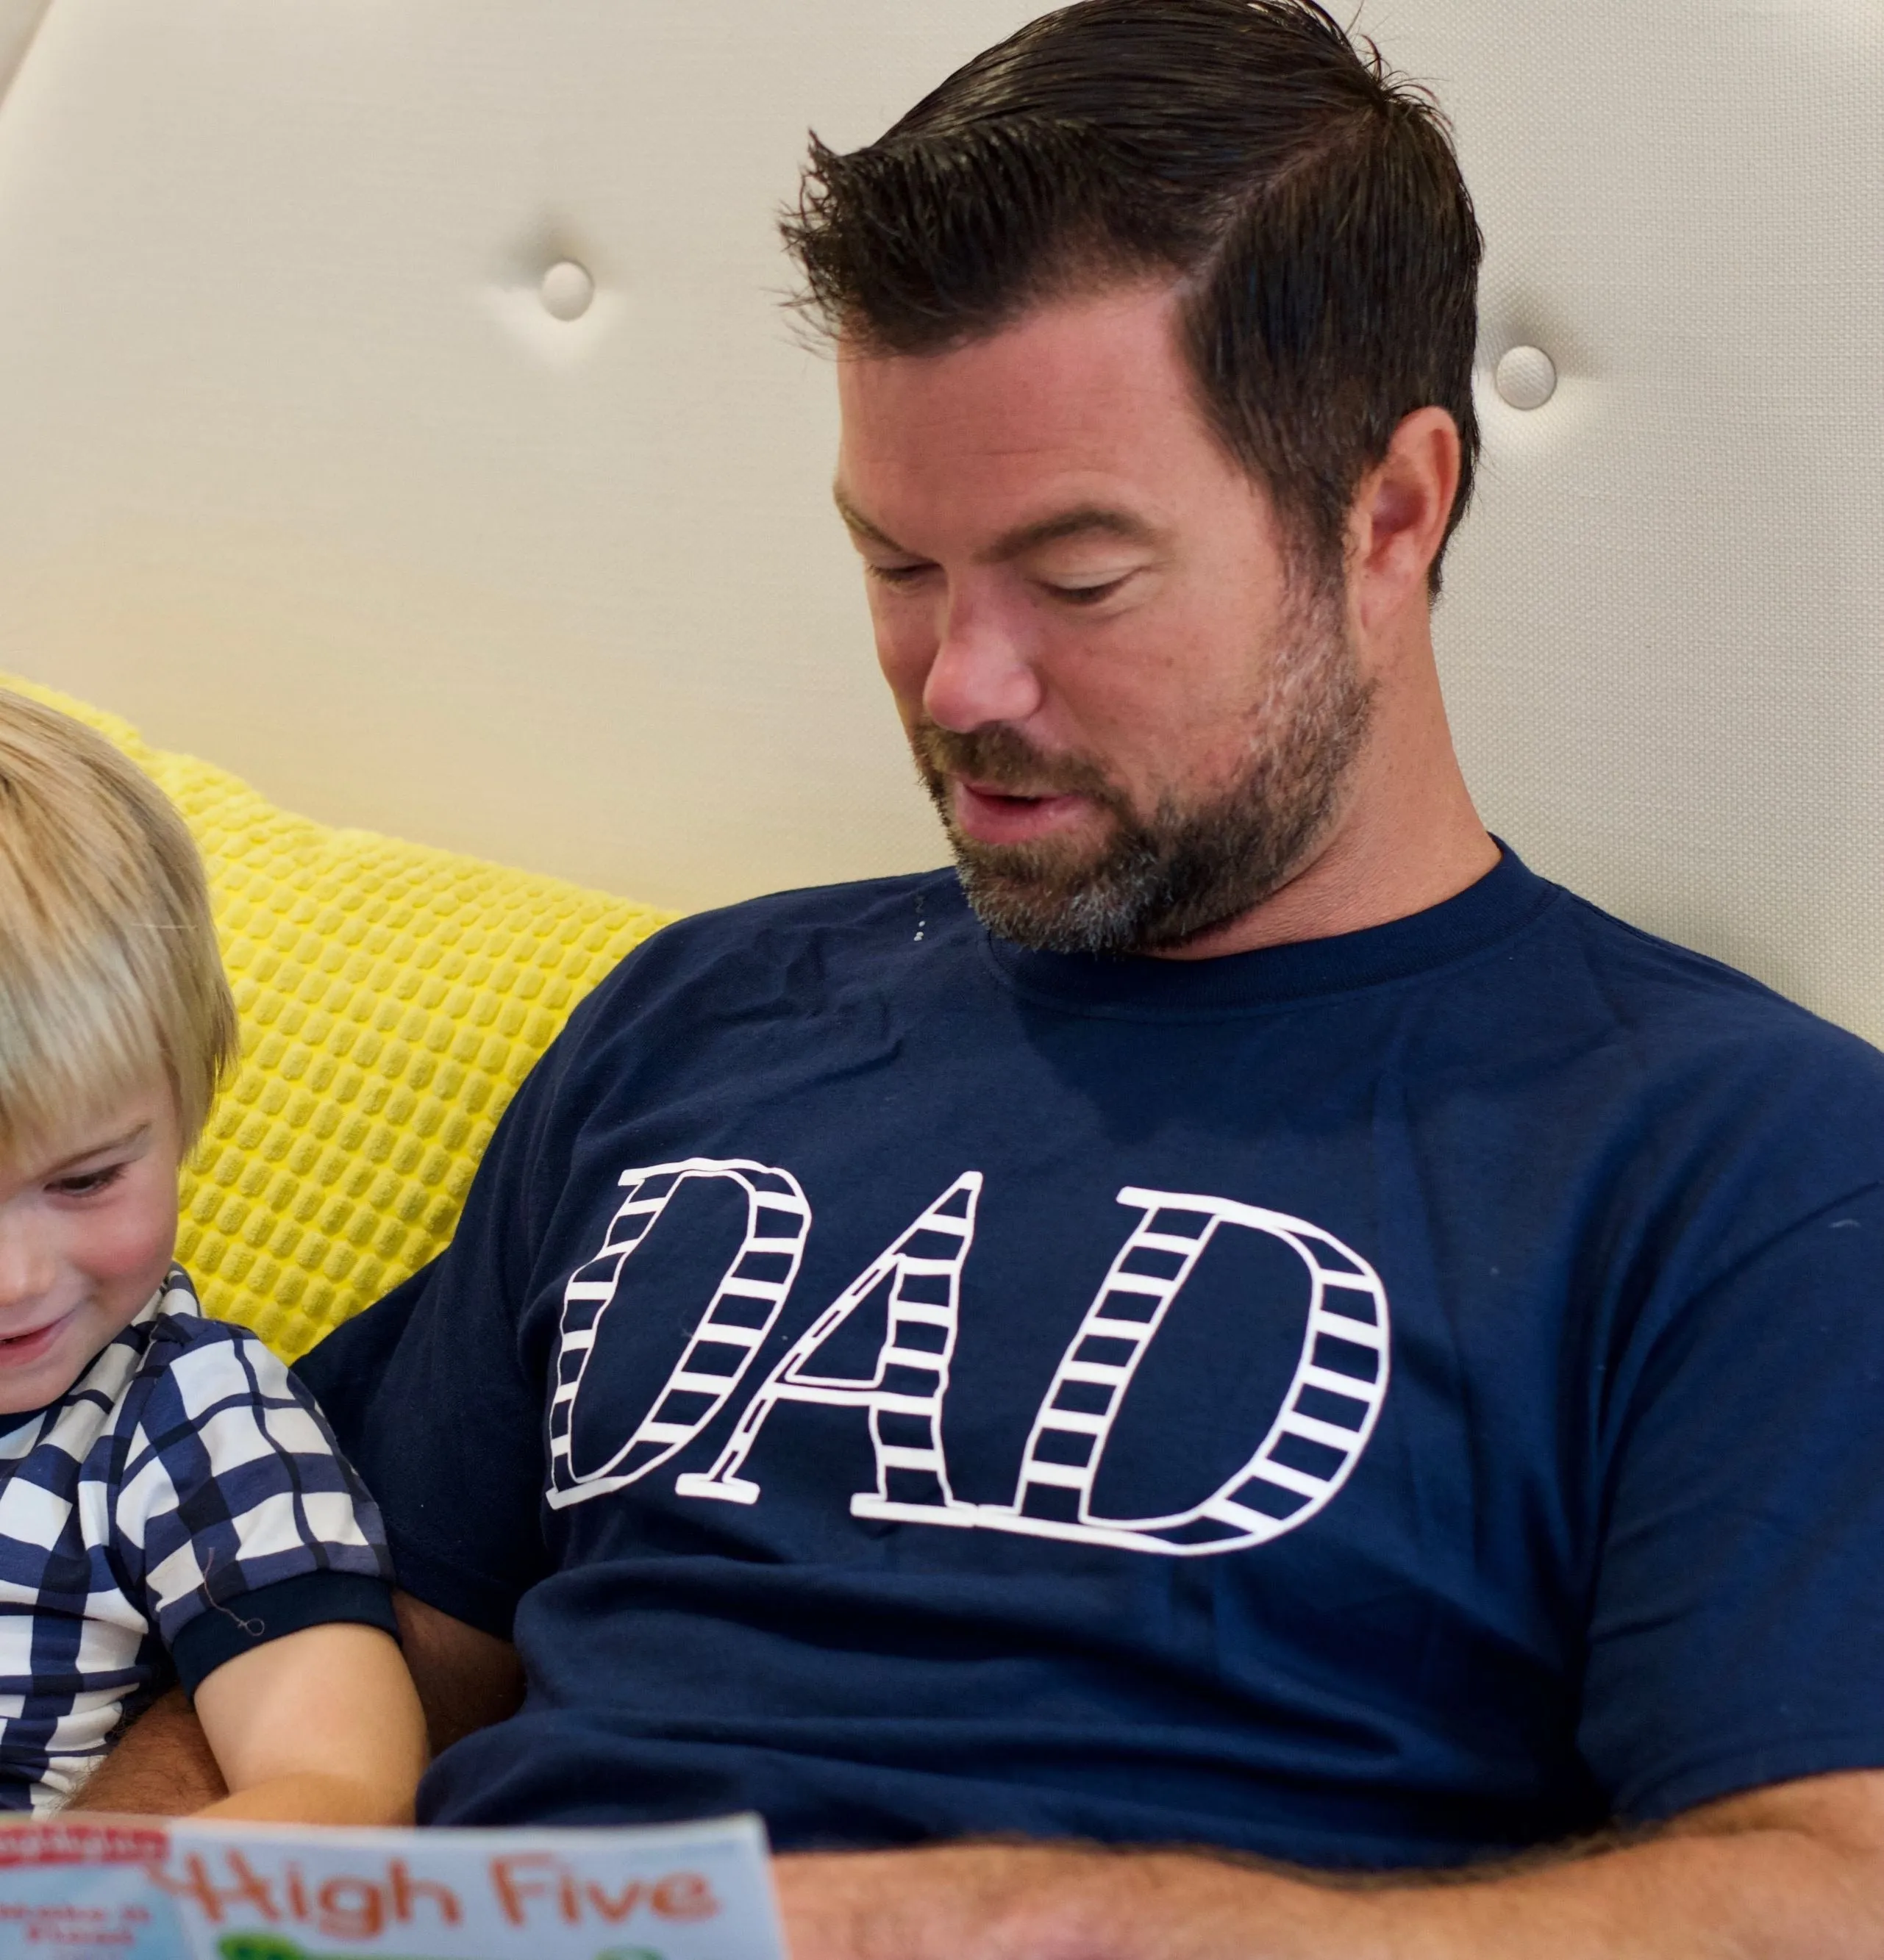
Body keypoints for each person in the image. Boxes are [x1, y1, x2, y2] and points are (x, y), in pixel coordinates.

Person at [85, 0, 1884, 1950]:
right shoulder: (703, 1020)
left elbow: (1820, 1883)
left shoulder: (1739, 1162)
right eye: (898, 567)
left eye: (1078, 580)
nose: (960, 689)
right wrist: (115, 1888)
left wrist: (1028, 1926)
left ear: (1389, 512)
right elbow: (318, 1644)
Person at [0, 690, 428, 1821]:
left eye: (86, 1180)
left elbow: (343, 1789)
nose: (16, 1278)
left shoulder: (190, 1418)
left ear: (185, 1108)